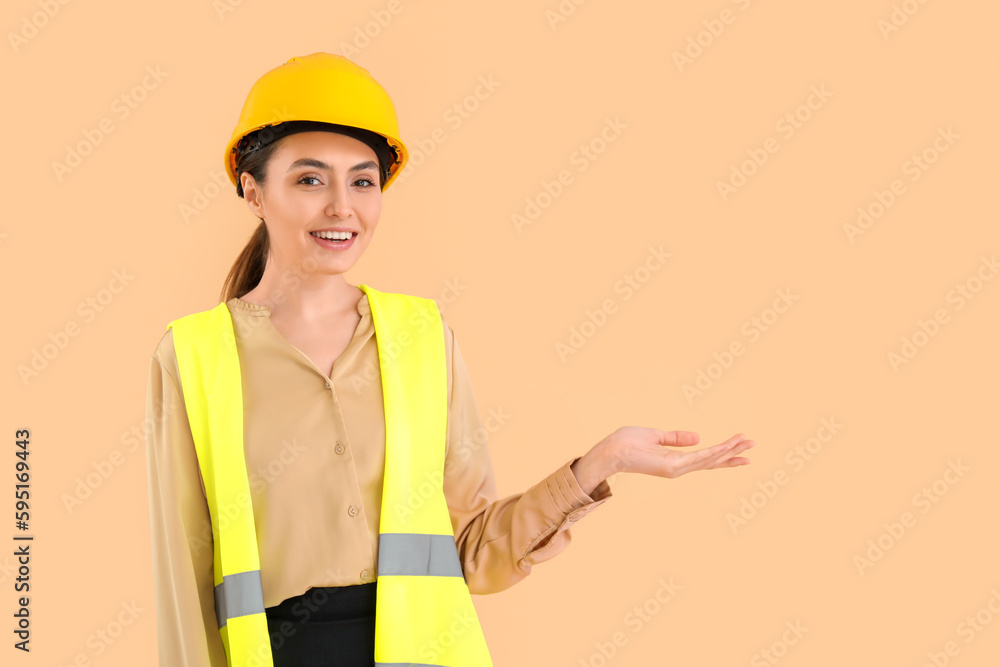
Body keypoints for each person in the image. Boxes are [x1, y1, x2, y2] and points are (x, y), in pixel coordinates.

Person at [144, 52, 755, 667]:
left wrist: (600, 464)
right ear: (252, 190)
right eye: (309, 179)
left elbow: (472, 552)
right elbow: (184, 580)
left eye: (362, 180)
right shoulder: (194, 355)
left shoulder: (422, 336)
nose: (341, 206)